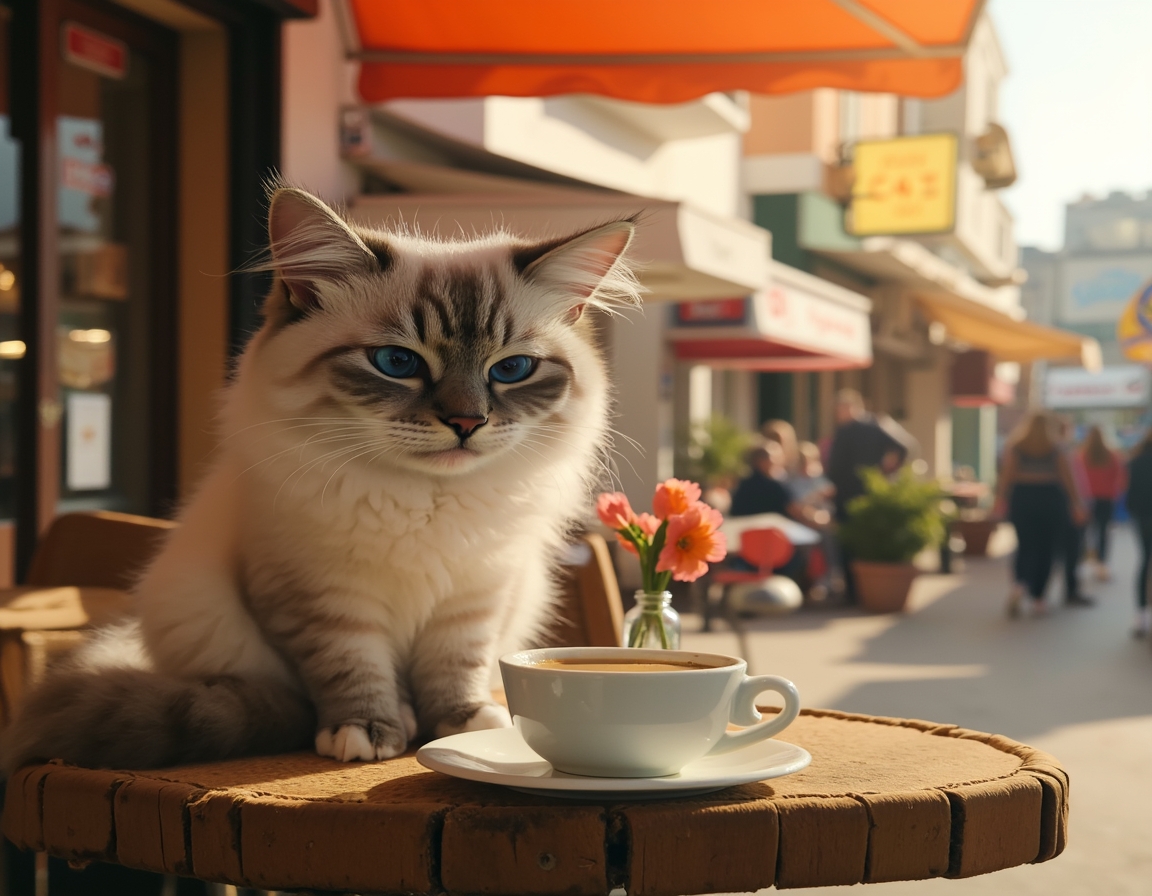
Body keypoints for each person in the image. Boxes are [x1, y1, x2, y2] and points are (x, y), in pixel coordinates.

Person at [993, 413, 1087, 618]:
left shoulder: (1017, 447)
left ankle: (1019, 584)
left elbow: (1007, 476)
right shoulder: (1056, 448)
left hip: (1022, 497)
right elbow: (1067, 478)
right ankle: (1038, 597)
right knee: (1047, 549)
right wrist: (1077, 504)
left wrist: (999, 501)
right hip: (1050, 498)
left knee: (1024, 545)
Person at [826, 389, 915, 602]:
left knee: (852, 544)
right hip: (852, 495)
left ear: (853, 407)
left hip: (857, 496)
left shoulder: (872, 426)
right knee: (852, 543)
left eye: (841, 409)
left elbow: (905, 447)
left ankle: (855, 592)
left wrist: (887, 471)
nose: (839, 414)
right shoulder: (857, 428)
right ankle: (854, 591)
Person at [1079, 425, 1127, 582]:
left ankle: (1081, 562)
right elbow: (1121, 478)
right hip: (1107, 498)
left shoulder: (1082, 456)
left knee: (1083, 532)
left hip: (1086, 499)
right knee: (1103, 532)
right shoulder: (1112, 455)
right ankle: (1102, 564)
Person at [1124, 432, 1152, 637]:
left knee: (1145, 560)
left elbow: (1130, 494)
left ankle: (1141, 614)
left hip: (1144, 517)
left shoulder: (1136, 461)